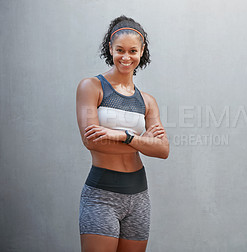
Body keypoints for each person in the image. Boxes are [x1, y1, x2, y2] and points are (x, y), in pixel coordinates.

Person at [76, 15, 169, 252]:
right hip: (101, 196)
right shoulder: (92, 87)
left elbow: (163, 150)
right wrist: (142, 141)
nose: (126, 57)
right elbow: (92, 142)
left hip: (138, 196)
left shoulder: (147, 101)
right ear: (110, 48)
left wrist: (123, 136)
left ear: (141, 51)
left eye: (132, 51)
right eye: (120, 50)